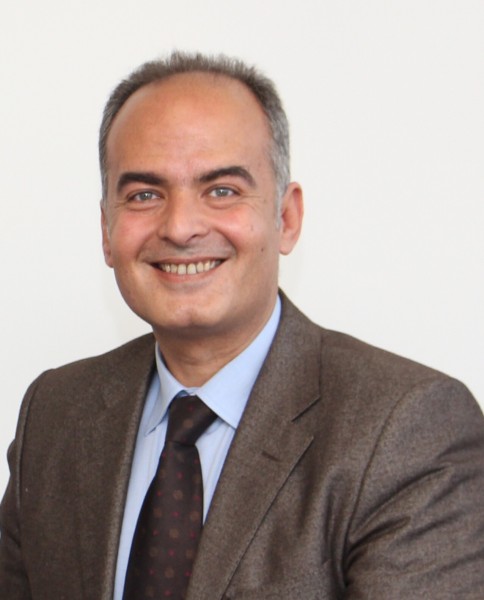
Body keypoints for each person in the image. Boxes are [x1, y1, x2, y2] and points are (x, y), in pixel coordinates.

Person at [1, 51, 484, 600]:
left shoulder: (408, 430)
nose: (180, 226)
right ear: (107, 231)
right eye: (144, 195)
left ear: (287, 217)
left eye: (222, 190)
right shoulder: (55, 414)